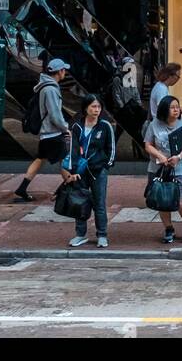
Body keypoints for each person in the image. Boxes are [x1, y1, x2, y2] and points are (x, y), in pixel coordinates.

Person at [61, 95, 116, 249]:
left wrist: (106, 165)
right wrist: (72, 171)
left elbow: (111, 148)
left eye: (98, 107)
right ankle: (80, 234)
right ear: (86, 108)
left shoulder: (105, 126)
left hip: (98, 171)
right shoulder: (77, 127)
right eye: (93, 106)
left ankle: (102, 235)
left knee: (99, 203)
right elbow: (73, 150)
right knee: (80, 202)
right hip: (80, 171)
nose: (96, 110)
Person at [144, 95, 182, 244]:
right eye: (173, 107)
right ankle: (169, 229)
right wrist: (159, 156)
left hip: (180, 168)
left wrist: (179, 157)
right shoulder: (155, 123)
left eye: (177, 106)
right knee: (162, 200)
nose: (176, 110)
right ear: (164, 109)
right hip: (158, 168)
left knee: (180, 200)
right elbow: (148, 144)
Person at [13, 58, 70, 202]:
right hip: (53, 134)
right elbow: (55, 114)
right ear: (59, 71)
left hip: (46, 135)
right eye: (64, 70)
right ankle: (69, 190)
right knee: (64, 162)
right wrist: (65, 128)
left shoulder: (45, 86)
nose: (65, 72)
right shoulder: (50, 89)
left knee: (39, 160)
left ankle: (22, 188)